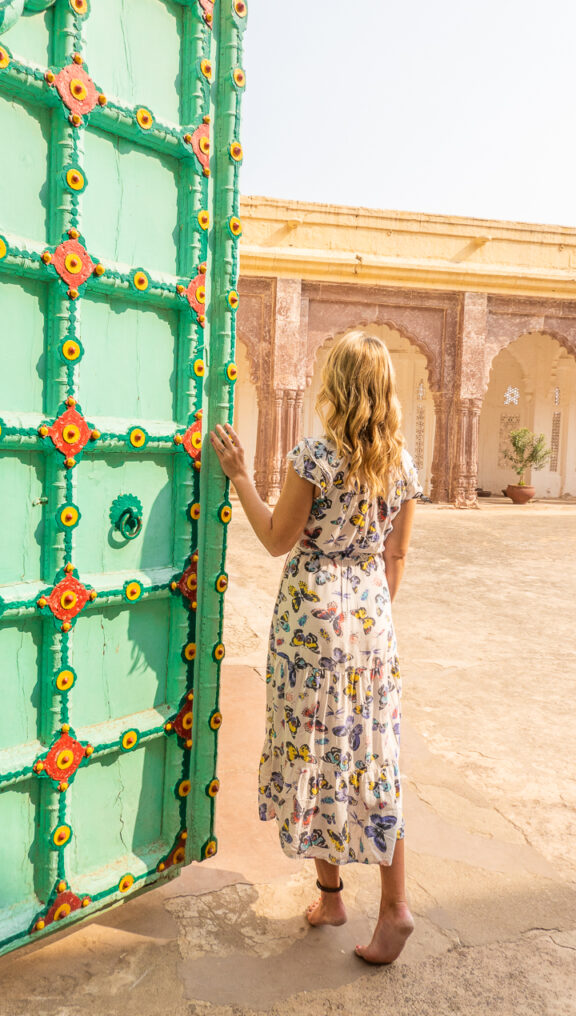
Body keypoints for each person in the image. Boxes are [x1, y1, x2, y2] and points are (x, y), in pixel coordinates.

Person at [209, 330, 422, 965]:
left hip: (312, 621)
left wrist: (240, 475)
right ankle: (360, 900)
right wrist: (369, 619)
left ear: (336, 387)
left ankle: (365, 901)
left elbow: (278, 537)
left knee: (318, 746)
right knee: (369, 754)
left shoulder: (314, 457)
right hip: (371, 621)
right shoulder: (401, 466)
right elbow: (397, 556)